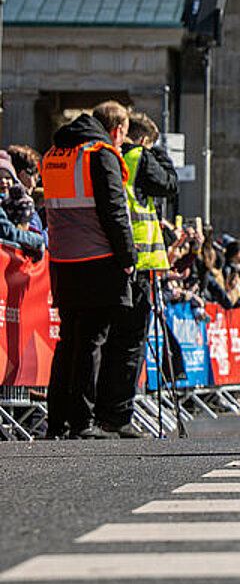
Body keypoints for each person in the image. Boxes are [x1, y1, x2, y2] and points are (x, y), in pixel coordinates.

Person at [41, 102, 136, 440]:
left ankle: (57, 422)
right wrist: (128, 256)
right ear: (118, 130)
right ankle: (82, 421)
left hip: (62, 261)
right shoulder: (100, 154)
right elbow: (114, 210)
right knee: (92, 341)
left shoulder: (54, 154)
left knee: (69, 340)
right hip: (98, 260)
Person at [96, 111, 177, 437]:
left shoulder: (109, 156)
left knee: (107, 340)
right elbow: (168, 185)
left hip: (109, 258)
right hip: (139, 264)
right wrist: (160, 154)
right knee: (130, 344)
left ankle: (100, 412)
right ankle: (118, 415)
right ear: (143, 138)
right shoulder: (139, 155)